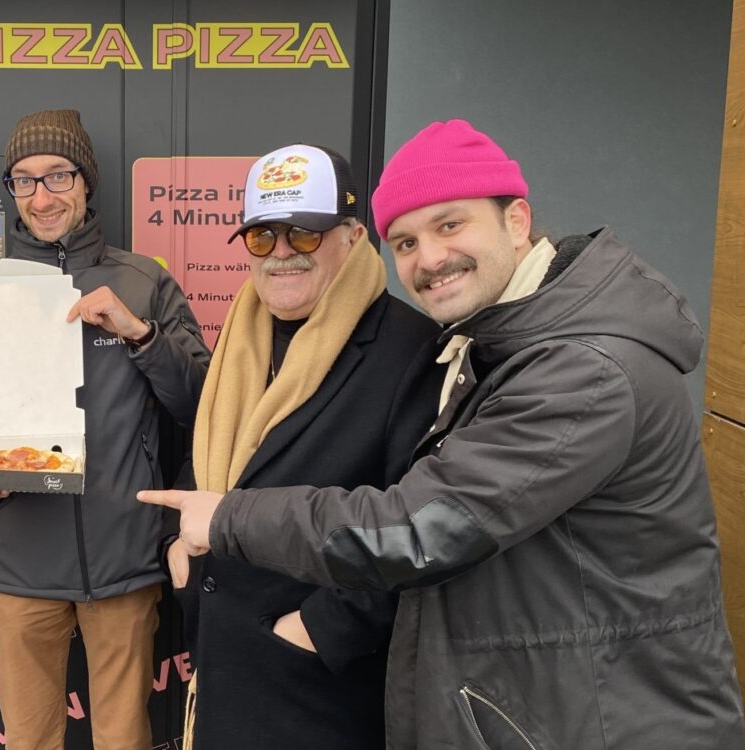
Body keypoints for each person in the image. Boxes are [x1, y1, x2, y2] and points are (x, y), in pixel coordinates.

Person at [141, 119, 745, 748]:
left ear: (516, 220)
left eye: (449, 225)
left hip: (588, 713)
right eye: (405, 241)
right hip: (523, 698)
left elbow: (420, 527)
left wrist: (305, 616)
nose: (428, 257)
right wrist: (188, 555)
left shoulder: (572, 367)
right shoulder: (491, 345)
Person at [162, 143, 441, 748]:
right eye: (263, 238)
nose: (282, 253)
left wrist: (316, 629)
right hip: (222, 658)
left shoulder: (411, 349)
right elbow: (212, 454)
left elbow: (424, 525)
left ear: (353, 235)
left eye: (305, 235)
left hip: (320, 691)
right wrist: (177, 548)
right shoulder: (240, 336)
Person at [0, 109, 210, 750]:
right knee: (29, 740)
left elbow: (198, 405)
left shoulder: (143, 281)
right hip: (20, 562)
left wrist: (140, 335)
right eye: (23, 180)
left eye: (57, 176)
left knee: (122, 739)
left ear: (86, 181)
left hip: (124, 558)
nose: (41, 196)